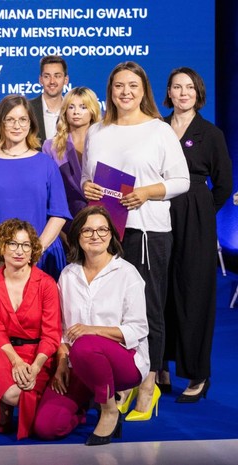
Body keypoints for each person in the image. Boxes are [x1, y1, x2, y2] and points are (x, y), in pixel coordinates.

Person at [82, 61, 189, 421]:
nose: (125, 92)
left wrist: (146, 192)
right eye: (118, 86)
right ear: (110, 91)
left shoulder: (159, 130)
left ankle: (148, 383)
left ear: (144, 90)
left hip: (147, 231)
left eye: (133, 86)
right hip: (106, 233)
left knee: (148, 309)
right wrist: (87, 187)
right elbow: (87, 178)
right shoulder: (97, 131)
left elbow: (181, 181)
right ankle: (123, 379)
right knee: (113, 310)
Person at [33, 206, 148, 446]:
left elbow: (138, 329)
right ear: (77, 236)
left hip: (124, 363)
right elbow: (61, 329)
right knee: (46, 427)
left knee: (85, 344)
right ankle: (86, 405)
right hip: (78, 364)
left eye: (102, 229)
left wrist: (92, 330)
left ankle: (109, 410)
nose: (95, 236)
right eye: (87, 231)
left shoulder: (127, 274)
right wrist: (61, 362)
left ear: (111, 235)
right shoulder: (68, 275)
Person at [161, 67, 232, 401]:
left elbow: (224, 185)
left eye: (189, 87)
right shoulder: (157, 129)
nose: (183, 93)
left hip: (196, 218)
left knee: (194, 293)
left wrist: (200, 211)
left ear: (198, 92)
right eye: (177, 87)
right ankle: (159, 365)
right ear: (169, 93)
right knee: (160, 290)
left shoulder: (210, 133)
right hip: (159, 213)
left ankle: (197, 374)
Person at [0, 219, 61, 439]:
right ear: (1, 247)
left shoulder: (46, 283)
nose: (19, 251)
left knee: (43, 425)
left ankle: (7, 404)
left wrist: (35, 367)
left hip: (38, 356)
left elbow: (51, 334)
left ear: (33, 250)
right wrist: (16, 361)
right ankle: (4, 403)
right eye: (12, 243)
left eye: (26, 245)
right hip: (7, 353)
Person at [0, 94, 71, 283]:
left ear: (31, 123)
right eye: (10, 119)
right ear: (0, 123)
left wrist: (35, 251)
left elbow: (58, 214)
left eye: (23, 119)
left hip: (43, 255)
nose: (17, 126)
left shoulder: (46, 164)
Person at [42, 87, 101, 226]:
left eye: (83, 107)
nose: (76, 112)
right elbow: (47, 191)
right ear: (65, 111)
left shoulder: (104, 142)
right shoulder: (50, 147)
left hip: (100, 217)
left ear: (92, 111)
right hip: (65, 219)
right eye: (71, 107)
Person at [29, 55, 69, 143]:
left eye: (57, 76)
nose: (52, 81)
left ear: (66, 80)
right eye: (47, 76)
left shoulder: (72, 111)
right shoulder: (27, 108)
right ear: (40, 80)